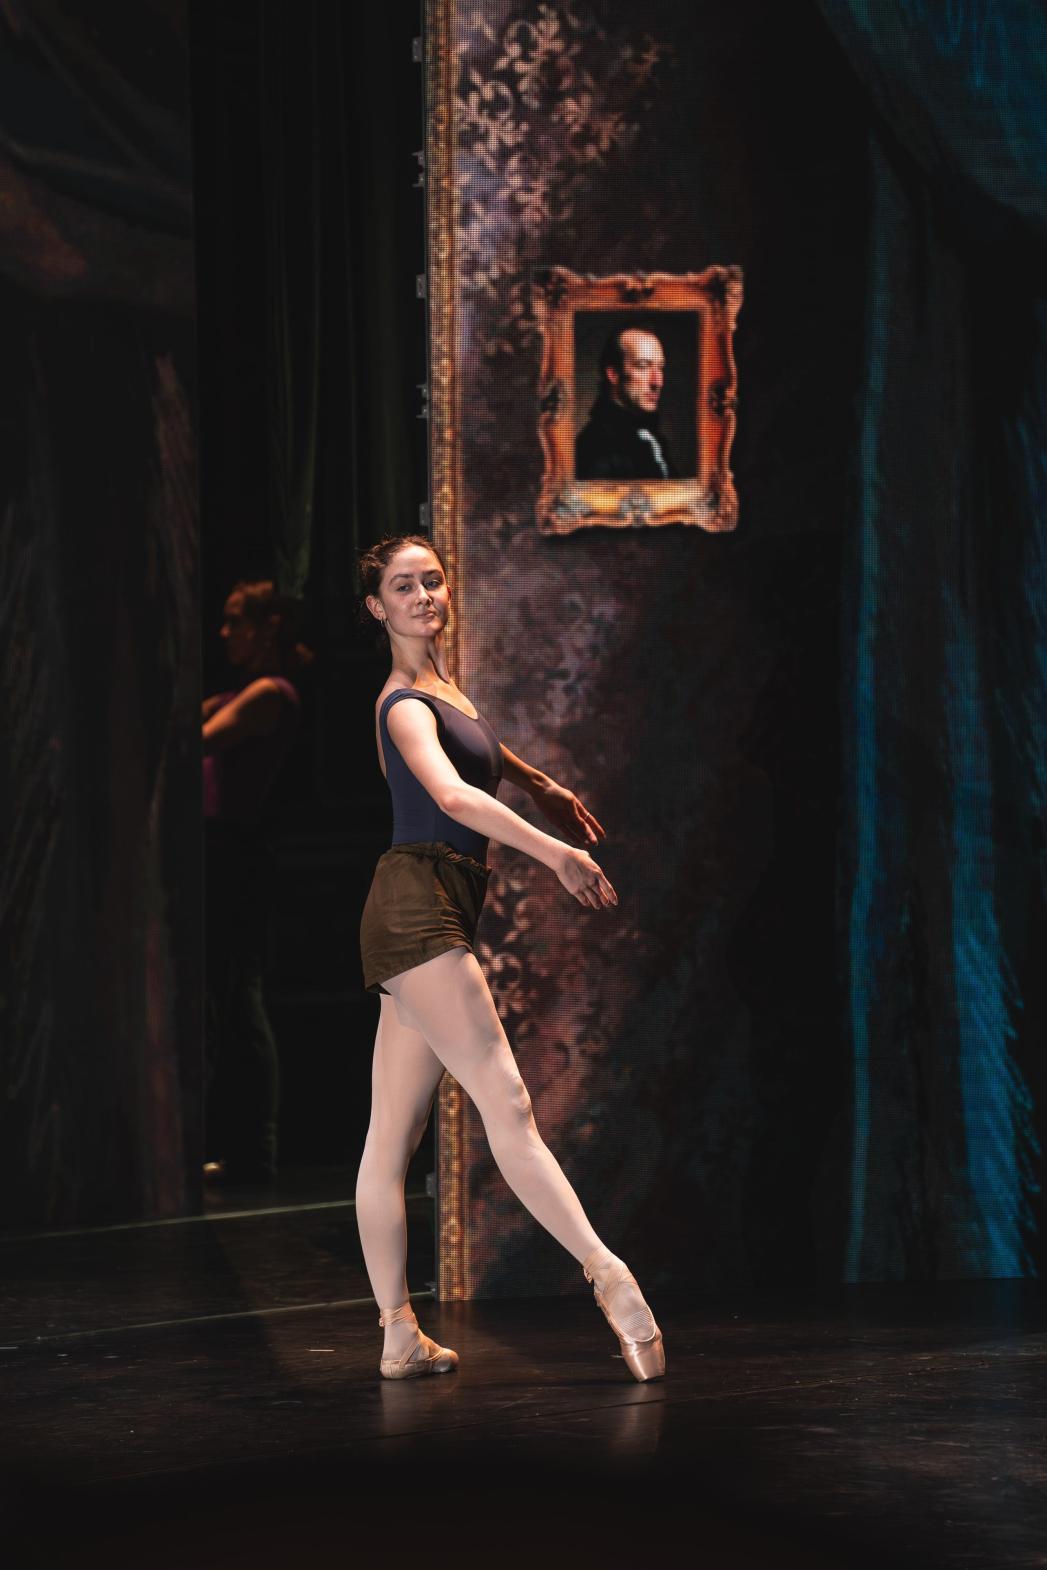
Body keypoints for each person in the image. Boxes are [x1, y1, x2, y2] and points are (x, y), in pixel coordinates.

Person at [355, 533, 665, 1383]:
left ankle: (397, 1336)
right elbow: (451, 792)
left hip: (432, 905)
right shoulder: (402, 706)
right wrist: (555, 853)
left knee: (391, 1136)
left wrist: (540, 783)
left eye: (431, 580)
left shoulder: (442, 689)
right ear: (376, 608)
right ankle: (609, 1276)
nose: (423, 596)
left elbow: (480, 751)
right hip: (417, 908)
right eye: (402, 587)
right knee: (509, 1103)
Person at [202, 579, 311, 1184]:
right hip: (219, 854)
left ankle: (254, 1151)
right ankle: (234, 1144)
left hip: (236, 856)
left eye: (235, 621)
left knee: (239, 996)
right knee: (223, 999)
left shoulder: (271, 693)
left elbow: (193, 739)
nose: (225, 633)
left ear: (266, 628)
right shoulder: (239, 692)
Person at [574, 323, 679, 480]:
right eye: (643, 366)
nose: (657, 382)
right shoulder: (595, 447)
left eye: (660, 367)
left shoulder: (649, 435)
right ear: (614, 374)